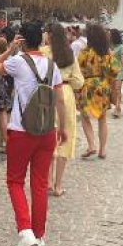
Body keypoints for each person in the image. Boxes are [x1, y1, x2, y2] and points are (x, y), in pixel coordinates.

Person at [0, 21, 68, 246]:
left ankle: (25, 232)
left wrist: (10, 49)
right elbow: (60, 100)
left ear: (22, 39)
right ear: (42, 40)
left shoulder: (17, 62)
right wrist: (62, 128)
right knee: (40, 184)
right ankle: (39, 236)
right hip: (47, 130)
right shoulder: (53, 66)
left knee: (15, 181)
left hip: (21, 131)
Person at [41, 23, 83, 197]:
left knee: (49, 136)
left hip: (47, 94)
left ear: (50, 36)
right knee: (65, 137)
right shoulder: (69, 55)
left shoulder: (43, 53)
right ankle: (58, 185)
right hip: (66, 93)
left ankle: (48, 181)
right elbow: (79, 81)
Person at [78, 24, 121, 160]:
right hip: (103, 86)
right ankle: (102, 150)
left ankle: (91, 145)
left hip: (88, 85)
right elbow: (115, 71)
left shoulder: (84, 53)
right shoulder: (108, 54)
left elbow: (79, 71)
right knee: (102, 119)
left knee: (85, 116)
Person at [109, 28, 123, 119]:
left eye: (110, 35)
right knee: (113, 90)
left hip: (119, 70)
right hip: (110, 71)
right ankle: (117, 105)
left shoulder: (120, 47)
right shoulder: (109, 46)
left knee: (117, 89)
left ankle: (117, 108)